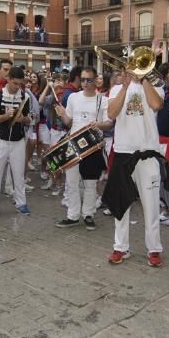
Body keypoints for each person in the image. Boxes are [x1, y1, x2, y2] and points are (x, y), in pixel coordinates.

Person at [103, 68, 169, 268]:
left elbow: (156, 104)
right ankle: (120, 247)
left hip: (147, 152)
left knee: (150, 204)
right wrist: (125, 86)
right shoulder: (117, 88)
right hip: (123, 151)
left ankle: (154, 249)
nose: (135, 69)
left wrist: (143, 81)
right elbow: (112, 113)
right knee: (120, 203)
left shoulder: (155, 86)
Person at [53, 67, 111, 229]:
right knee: (71, 182)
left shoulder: (103, 100)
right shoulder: (73, 97)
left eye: (89, 80)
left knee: (90, 183)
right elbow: (69, 123)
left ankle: (88, 215)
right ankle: (72, 215)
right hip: (73, 146)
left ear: (95, 80)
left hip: (92, 148)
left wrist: (99, 124)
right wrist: (62, 114)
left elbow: (109, 123)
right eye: (83, 79)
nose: (85, 83)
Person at [0, 67, 33, 218]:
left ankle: (21, 203)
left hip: (18, 141)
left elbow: (30, 118)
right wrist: (6, 116)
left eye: (20, 84)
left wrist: (22, 119)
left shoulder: (25, 96)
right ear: (8, 79)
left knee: (19, 174)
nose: (17, 87)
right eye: (14, 83)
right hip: (0, 141)